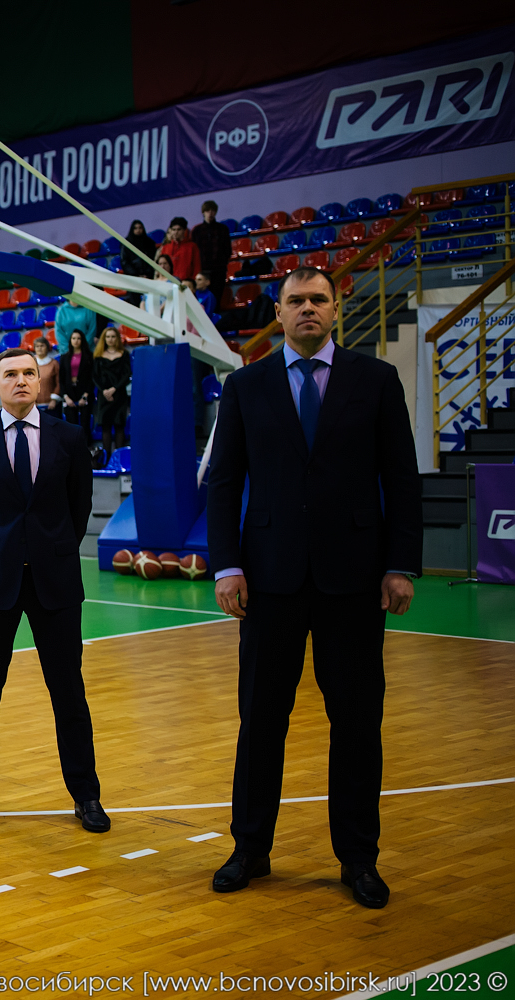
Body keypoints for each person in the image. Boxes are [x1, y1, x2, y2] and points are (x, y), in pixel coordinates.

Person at [207, 267, 421, 910]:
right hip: (268, 580)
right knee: (261, 722)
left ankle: (359, 857)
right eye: (295, 300)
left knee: (357, 723)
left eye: (317, 300)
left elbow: (402, 478)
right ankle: (250, 847)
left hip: (354, 580)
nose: (307, 310)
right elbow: (223, 483)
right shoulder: (244, 385)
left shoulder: (375, 379)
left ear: (335, 309)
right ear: (279, 308)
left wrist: (400, 563)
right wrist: (226, 566)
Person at [0, 347, 104, 833]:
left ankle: (87, 796)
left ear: (41, 383)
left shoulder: (70, 437)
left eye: (29, 374)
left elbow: (79, 510)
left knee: (68, 691)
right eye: (10, 374)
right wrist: (5, 550)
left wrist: (48, 548)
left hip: (55, 580)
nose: (20, 381)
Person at [92, 327, 131, 457]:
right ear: (104, 339)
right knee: (106, 427)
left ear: (117, 338)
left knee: (119, 426)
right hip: (104, 396)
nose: (110, 339)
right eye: (108, 337)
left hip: (119, 395)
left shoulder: (124, 354)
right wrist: (105, 391)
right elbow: (95, 376)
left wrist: (114, 389)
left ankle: (120, 457)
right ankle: (107, 458)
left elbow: (127, 375)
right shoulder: (98, 356)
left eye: (113, 336)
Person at [56, 329, 93, 427]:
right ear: (70, 340)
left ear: (82, 340)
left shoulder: (89, 356)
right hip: (69, 392)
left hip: (84, 392)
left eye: (78, 338)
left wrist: (85, 396)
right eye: (73, 338)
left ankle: (86, 443)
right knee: (71, 425)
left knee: (85, 425)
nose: (76, 341)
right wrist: (65, 396)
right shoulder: (64, 357)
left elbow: (91, 377)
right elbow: (61, 378)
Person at [193, 201, 233, 291]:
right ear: (203, 212)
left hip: (219, 269)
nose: (210, 213)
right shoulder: (197, 231)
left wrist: (223, 262)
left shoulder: (222, 229)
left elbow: (227, 249)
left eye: (212, 211)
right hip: (203, 269)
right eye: (207, 211)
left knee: (217, 295)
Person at [155, 218, 201, 291]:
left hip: (186, 285)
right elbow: (160, 267)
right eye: (173, 229)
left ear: (184, 231)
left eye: (179, 229)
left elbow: (196, 267)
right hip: (168, 284)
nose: (176, 232)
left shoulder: (192, 246)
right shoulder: (166, 247)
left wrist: (193, 283)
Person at [32, 335, 60, 411]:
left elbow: (59, 383)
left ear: (47, 348)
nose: (39, 348)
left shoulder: (54, 364)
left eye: (42, 346)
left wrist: (54, 400)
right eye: (37, 346)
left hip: (52, 405)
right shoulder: (30, 364)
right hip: (35, 406)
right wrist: (31, 401)